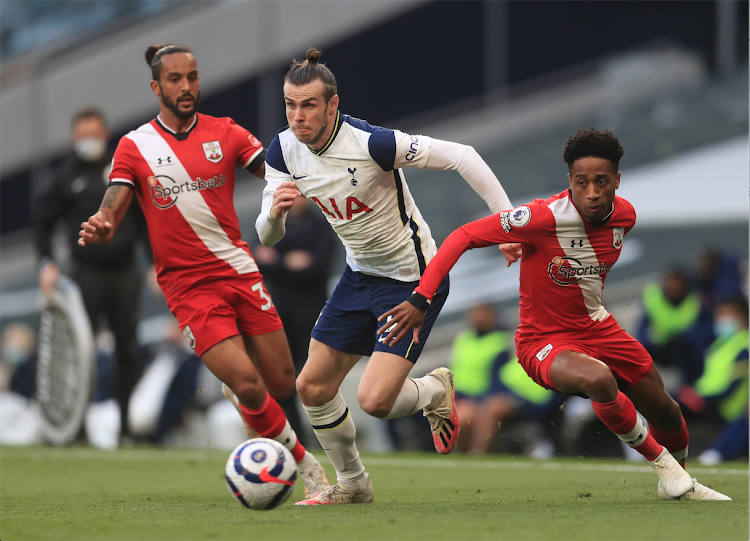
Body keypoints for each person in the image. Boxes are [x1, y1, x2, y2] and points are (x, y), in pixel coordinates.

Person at [379, 127, 731, 501]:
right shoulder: (540, 218)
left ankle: (679, 482)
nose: (592, 192)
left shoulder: (624, 217)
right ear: (570, 181)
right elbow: (462, 236)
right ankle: (662, 465)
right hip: (543, 341)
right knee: (599, 380)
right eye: (582, 183)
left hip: (600, 328)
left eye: (601, 181)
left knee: (668, 412)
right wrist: (421, 298)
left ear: (617, 180)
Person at [256, 48, 516, 505]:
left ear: (333, 105)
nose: (298, 116)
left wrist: (508, 223)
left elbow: (464, 156)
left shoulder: (372, 143)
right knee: (311, 388)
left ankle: (434, 389)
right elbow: (267, 236)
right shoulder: (283, 150)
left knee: (376, 402)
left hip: (413, 281)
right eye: (290, 105)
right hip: (358, 277)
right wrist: (274, 217)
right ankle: (353, 484)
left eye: (309, 105)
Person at [77, 43, 328, 498]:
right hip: (188, 287)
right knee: (250, 383)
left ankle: (249, 404)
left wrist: (305, 180)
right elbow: (114, 204)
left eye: (192, 76)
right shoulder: (135, 146)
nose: (187, 86)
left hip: (238, 269)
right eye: (175, 79)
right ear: (157, 86)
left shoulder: (226, 132)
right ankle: (306, 466)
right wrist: (103, 222)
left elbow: (272, 169)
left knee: (280, 380)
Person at [34, 108, 151, 442]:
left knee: (127, 348)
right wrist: (47, 263)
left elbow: (143, 221)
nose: (89, 140)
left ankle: (125, 426)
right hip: (87, 273)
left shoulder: (121, 170)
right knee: (80, 351)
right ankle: (77, 426)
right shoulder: (63, 177)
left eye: (95, 133)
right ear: (74, 137)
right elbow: (43, 225)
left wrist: (155, 265)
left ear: (106, 133)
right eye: (83, 134)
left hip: (125, 272)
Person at [252, 195, 337, 442]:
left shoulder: (321, 225)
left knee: (315, 380)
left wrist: (277, 262)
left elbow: (316, 265)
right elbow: (257, 258)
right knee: (282, 379)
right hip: (279, 317)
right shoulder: (271, 224)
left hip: (312, 318)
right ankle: (295, 439)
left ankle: (327, 437)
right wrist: (290, 262)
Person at [450, 304, 560, 455]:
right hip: (483, 396)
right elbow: (500, 380)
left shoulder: (501, 343)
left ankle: (477, 453)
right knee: (466, 414)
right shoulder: (519, 347)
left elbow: (555, 392)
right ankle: (459, 456)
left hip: (530, 402)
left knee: (493, 407)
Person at [678, 296, 749, 465]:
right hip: (705, 400)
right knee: (665, 400)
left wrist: (700, 399)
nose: (722, 319)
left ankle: (715, 453)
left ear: (742, 316)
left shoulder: (745, 345)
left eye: (727, 314)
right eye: (720, 314)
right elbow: (707, 380)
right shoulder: (718, 345)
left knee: (673, 406)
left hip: (727, 406)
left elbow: (732, 388)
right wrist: (691, 392)